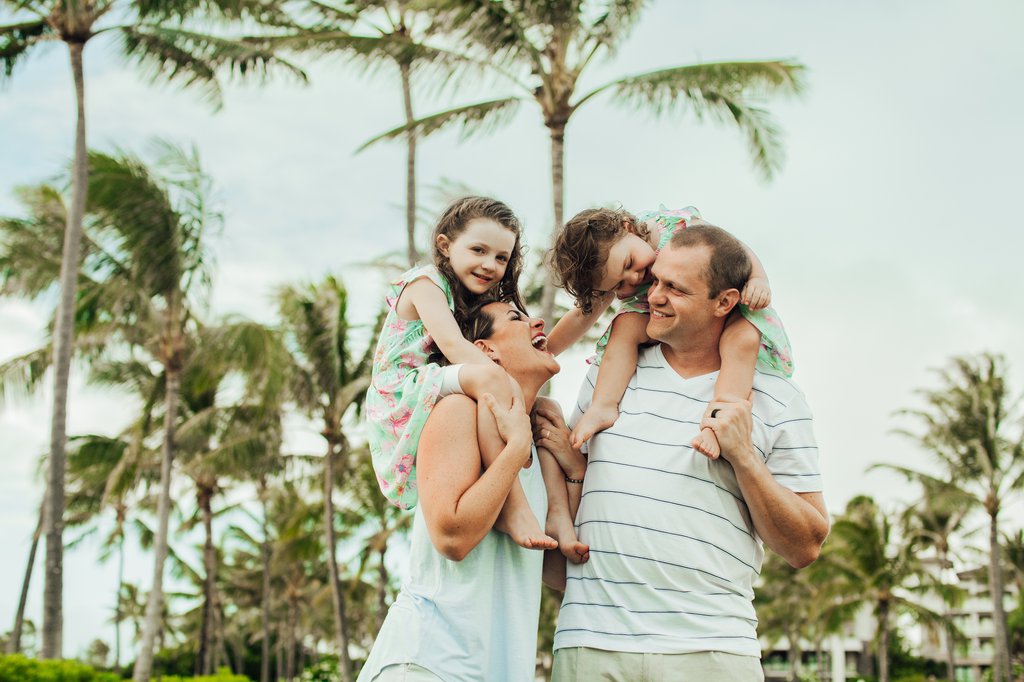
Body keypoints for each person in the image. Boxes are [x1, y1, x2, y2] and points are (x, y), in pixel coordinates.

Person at [550, 224, 829, 682]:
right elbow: (570, 484)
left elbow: (806, 545)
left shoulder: (778, 398)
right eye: (655, 280)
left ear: (724, 302)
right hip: (591, 641)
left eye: (675, 289)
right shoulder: (610, 374)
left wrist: (742, 456)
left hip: (712, 648)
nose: (652, 296)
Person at [358, 300, 586, 682]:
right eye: (517, 318)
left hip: (493, 667)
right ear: (484, 350)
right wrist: (513, 451)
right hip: (429, 662)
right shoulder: (457, 410)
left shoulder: (537, 448)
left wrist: (574, 470)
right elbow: (452, 536)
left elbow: (558, 571)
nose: (539, 322)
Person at [364, 196, 557, 550]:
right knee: (489, 380)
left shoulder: (467, 297)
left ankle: (512, 501)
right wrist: (505, 382)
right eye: (479, 250)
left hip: (429, 380)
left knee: (492, 385)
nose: (490, 265)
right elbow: (453, 346)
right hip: (401, 385)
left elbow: (546, 344)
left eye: (501, 258)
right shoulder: (426, 282)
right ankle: (513, 505)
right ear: (445, 244)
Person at [547, 206, 792, 459]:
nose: (634, 278)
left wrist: (758, 279)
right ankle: (604, 406)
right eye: (619, 285)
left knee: (742, 339)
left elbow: (735, 249)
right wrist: (547, 351)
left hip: (728, 305)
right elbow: (581, 315)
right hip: (667, 318)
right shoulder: (611, 267)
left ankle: (719, 419)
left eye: (630, 263)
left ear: (627, 227)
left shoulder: (677, 227)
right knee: (625, 328)